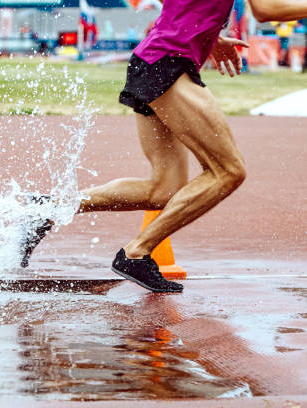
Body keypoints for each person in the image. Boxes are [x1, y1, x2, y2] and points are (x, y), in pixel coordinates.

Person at [21, 0, 307, 293]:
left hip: (151, 62)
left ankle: (48, 208)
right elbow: (266, 10)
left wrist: (212, 35)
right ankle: (136, 253)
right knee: (228, 171)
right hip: (168, 65)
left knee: (165, 189)